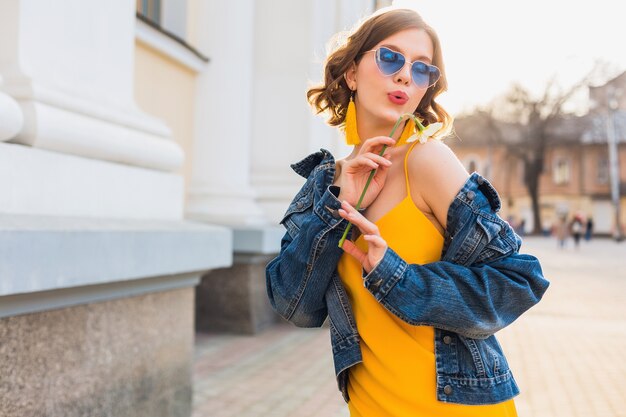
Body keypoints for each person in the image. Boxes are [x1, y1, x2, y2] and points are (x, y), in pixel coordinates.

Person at [266, 7, 549, 417]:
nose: (404, 76)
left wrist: (397, 277)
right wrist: (337, 206)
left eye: (422, 70)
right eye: (390, 58)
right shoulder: (326, 184)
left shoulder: (427, 161)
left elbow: (519, 279)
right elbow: (294, 305)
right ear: (350, 72)